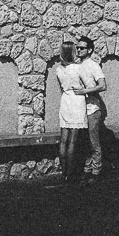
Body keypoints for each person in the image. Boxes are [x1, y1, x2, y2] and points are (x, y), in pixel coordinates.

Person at [74, 36, 118, 176]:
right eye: (78, 48)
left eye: (82, 48)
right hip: (81, 110)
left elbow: (103, 85)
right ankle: (87, 169)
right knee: (85, 141)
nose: (79, 50)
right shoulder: (78, 65)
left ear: (89, 50)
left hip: (92, 109)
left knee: (94, 142)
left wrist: (85, 91)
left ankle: (96, 171)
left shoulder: (93, 65)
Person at [52, 39, 93, 183]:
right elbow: (88, 85)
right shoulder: (78, 68)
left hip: (65, 100)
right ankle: (71, 173)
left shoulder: (59, 69)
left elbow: (60, 88)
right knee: (73, 141)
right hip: (77, 100)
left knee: (64, 140)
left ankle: (64, 173)